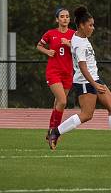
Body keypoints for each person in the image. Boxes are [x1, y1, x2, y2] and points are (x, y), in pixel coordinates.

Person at [48, 6, 111, 150]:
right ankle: (55, 131)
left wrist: (96, 82)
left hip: (95, 78)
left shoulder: (80, 38)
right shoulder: (79, 44)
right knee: (86, 115)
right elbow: (83, 67)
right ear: (81, 26)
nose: (93, 28)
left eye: (93, 25)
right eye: (90, 25)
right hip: (85, 82)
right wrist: (94, 85)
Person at [37, 8, 75, 140]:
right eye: (62, 16)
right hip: (54, 72)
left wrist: (70, 45)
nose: (65, 18)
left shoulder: (74, 35)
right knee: (62, 101)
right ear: (57, 19)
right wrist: (47, 52)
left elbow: (80, 51)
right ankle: (55, 133)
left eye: (67, 16)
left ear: (70, 19)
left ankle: (50, 131)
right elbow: (39, 46)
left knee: (57, 103)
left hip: (68, 73)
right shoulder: (50, 33)